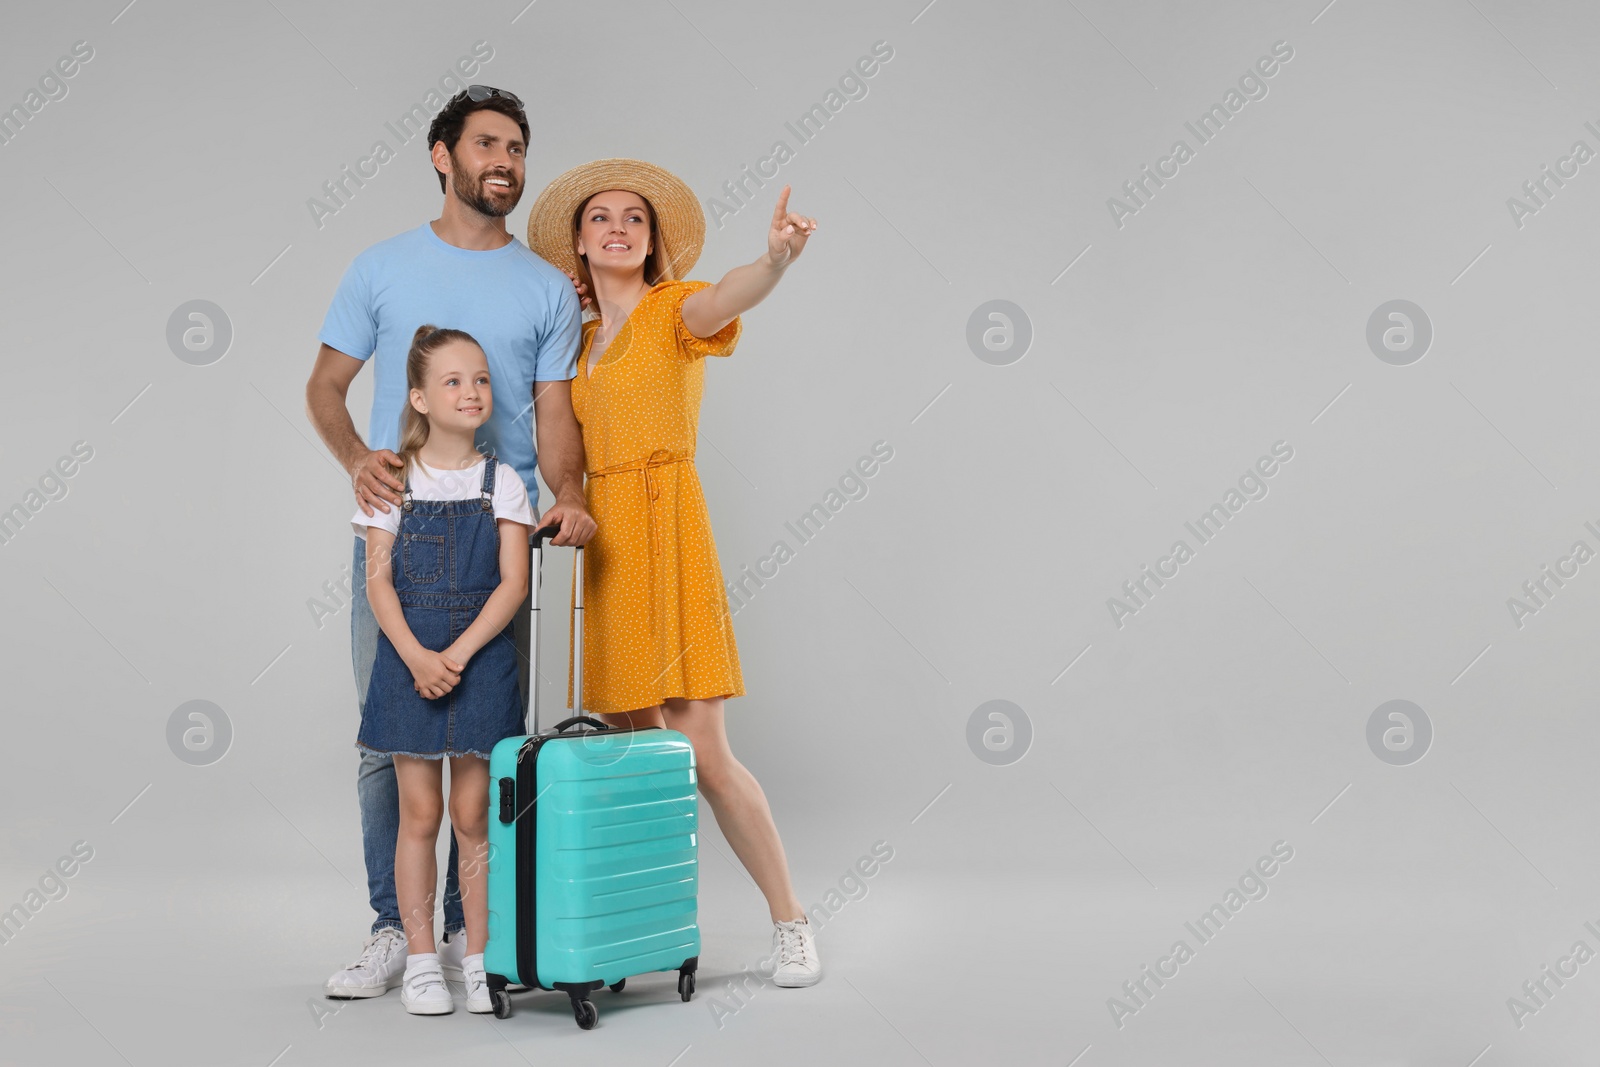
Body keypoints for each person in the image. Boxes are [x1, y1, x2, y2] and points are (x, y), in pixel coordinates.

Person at [306, 85, 595, 1002]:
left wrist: (572, 493)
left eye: (516, 145)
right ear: (443, 155)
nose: (504, 159)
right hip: (405, 528)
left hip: (498, 539)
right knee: (388, 738)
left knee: (487, 741)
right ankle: (398, 927)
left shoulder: (547, 286)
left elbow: (553, 414)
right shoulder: (381, 267)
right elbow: (324, 384)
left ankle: (474, 939)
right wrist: (358, 459)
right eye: (486, 144)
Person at [525, 159, 824, 987]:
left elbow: (728, 294)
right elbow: (564, 450)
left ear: (652, 242)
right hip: (606, 544)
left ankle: (791, 920)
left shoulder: (672, 310)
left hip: (669, 523)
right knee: (636, 751)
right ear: (579, 245)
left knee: (702, 749)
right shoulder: (577, 344)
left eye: (634, 219)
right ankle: (639, 930)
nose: (618, 227)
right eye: (601, 219)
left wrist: (774, 260)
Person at [352, 326, 533, 1014]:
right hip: (407, 663)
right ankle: (422, 956)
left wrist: (456, 655)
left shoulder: (505, 483)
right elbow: (378, 584)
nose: (472, 391)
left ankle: (481, 955)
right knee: (419, 813)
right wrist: (419, 657)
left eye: (481, 379)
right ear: (420, 398)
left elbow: (512, 584)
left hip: (482, 664)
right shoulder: (391, 479)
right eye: (454, 380)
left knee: (473, 813)